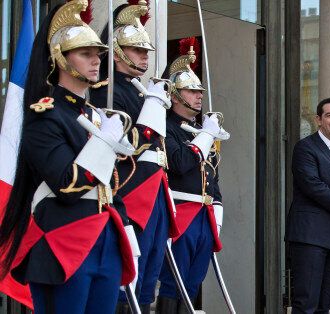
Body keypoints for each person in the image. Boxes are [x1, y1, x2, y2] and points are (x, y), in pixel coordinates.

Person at [0, 1, 138, 313]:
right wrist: (104, 144)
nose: (96, 61)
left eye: (98, 54)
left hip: (106, 238)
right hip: (64, 239)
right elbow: (66, 184)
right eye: (86, 54)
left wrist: (126, 232)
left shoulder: (97, 115)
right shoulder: (45, 115)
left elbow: (113, 182)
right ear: (61, 58)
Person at [90, 2, 179, 312]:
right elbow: (130, 142)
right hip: (130, 187)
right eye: (137, 50)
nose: (145, 55)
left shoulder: (139, 90)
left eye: (145, 50)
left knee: (150, 268)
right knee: (126, 274)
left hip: (153, 188)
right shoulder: (107, 90)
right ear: (116, 51)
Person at [156, 39, 230, 312]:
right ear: (175, 94)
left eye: (200, 91)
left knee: (193, 282)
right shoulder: (167, 127)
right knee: (172, 281)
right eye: (191, 91)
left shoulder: (202, 128)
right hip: (180, 212)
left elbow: (213, 178)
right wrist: (206, 136)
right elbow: (179, 162)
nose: (199, 96)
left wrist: (218, 214)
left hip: (204, 216)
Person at [285, 97, 330, 314]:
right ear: (318, 120)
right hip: (309, 237)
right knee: (306, 304)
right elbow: (313, 186)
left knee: (325, 304)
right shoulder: (305, 148)